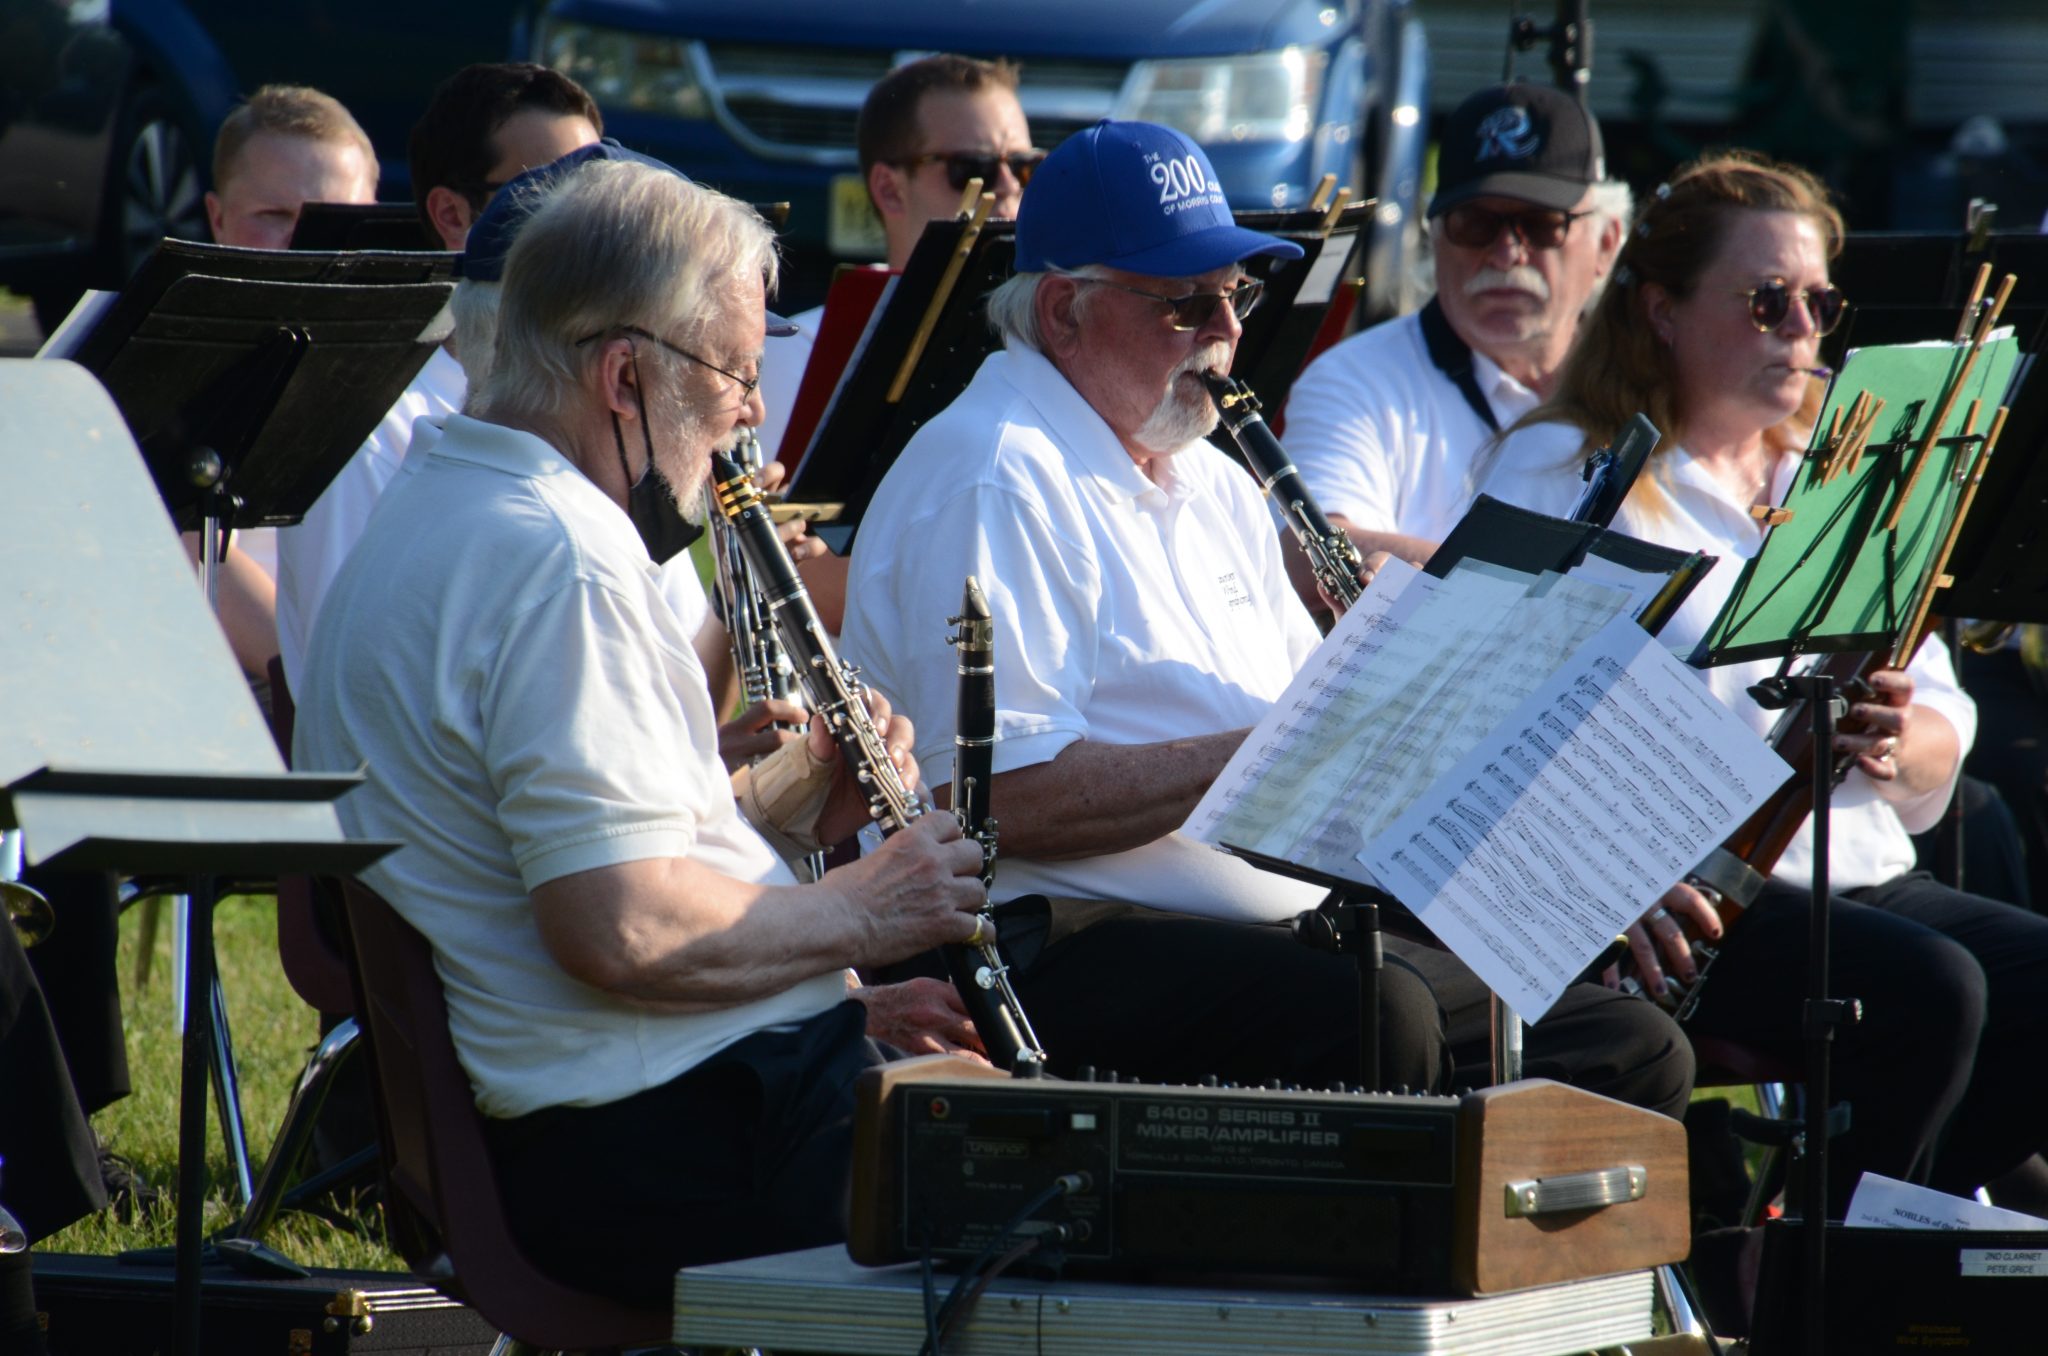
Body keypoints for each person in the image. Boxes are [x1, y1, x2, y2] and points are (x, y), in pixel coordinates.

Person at [839, 119, 1692, 1112]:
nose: (1226, 332)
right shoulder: (995, 472)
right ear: (1064, 311)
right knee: (1380, 1019)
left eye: (1234, 296)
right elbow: (1002, 803)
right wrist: (1296, 737)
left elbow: (1325, 755)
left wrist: (1541, 843)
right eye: (1183, 304)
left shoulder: (1212, 481)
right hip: (1058, 942)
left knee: (1624, 1050)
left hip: (1265, 929)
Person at [293, 159, 988, 1304]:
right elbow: (616, 928)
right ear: (624, 375)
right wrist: (869, 906)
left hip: (626, 1109)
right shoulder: (556, 561)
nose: (752, 414)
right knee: (1095, 1199)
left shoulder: (444, 508)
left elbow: (544, 859)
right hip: (657, 1143)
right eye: (735, 376)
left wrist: (777, 810)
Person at [1474, 150, 2048, 1211]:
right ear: (1658, 311)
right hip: (1677, 890)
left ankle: (1861, 1233)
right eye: (1763, 301)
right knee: (1933, 993)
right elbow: (1500, 709)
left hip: (1856, 866)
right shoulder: (1568, 467)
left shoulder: (1841, 466)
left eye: (1818, 301)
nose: (1799, 329)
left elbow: (1939, 724)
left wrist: (1891, 734)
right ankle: (1827, 1281)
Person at [273, 63, 602, 697]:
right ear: (453, 215)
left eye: (602, 193)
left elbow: (682, 692)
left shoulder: (614, 405)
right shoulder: (360, 432)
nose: (598, 230)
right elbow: (351, 693)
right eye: (554, 198)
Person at [1281, 83, 1627, 571]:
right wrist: (1540, 593)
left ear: (1607, 243)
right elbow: (1308, 547)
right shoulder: (1353, 377)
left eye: (1543, 223)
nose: (1507, 255)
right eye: (1474, 223)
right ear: (1435, 235)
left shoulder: (1652, 380)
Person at [199, 84, 381, 687]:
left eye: (332, 222)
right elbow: (195, 552)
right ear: (218, 219)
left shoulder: (424, 368)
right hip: (272, 684)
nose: (298, 246)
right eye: (272, 217)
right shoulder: (180, 363)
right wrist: (327, 689)